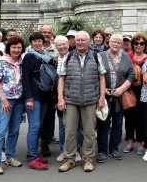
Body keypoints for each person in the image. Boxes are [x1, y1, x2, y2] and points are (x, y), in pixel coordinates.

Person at [57, 31, 107, 173]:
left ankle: (88, 159)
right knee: (70, 131)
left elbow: (101, 78)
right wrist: (60, 98)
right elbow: (61, 78)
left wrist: (102, 97)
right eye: (77, 40)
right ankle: (69, 159)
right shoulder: (68, 56)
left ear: (89, 41)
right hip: (71, 100)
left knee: (89, 132)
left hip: (91, 99)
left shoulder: (96, 57)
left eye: (82, 40)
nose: (79, 42)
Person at [0, 36, 26, 175]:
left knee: (14, 130)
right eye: (13, 47)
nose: (16, 50)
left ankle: (10, 157)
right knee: (1, 130)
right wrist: (3, 99)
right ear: (8, 48)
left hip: (19, 101)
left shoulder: (22, 62)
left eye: (18, 47)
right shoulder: (2, 62)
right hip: (5, 100)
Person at [97, 34, 135, 163]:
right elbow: (95, 74)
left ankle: (113, 149)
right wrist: (102, 90)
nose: (116, 44)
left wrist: (122, 88)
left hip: (120, 96)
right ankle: (102, 151)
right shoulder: (101, 56)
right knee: (103, 124)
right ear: (109, 42)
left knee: (118, 124)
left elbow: (132, 74)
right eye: (114, 41)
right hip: (105, 96)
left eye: (119, 42)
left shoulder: (126, 57)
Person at [21, 32, 56, 170]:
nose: (37, 43)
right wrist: (28, 98)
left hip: (45, 97)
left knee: (39, 126)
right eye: (34, 41)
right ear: (31, 43)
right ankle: (33, 158)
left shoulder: (45, 57)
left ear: (43, 42)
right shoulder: (29, 57)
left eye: (39, 41)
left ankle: (33, 152)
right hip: (34, 97)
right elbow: (26, 79)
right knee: (34, 127)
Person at [124, 32, 147, 155]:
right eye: (136, 43)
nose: (139, 45)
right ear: (132, 44)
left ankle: (140, 142)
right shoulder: (127, 57)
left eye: (141, 43)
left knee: (141, 118)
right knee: (129, 117)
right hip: (129, 90)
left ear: (145, 45)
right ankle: (129, 141)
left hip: (144, 92)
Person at [38, 25, 59, 158]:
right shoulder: (31, 49)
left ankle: (45, 142)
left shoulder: (56, 48)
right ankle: (36, 143)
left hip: (52, 88)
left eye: (48, 32)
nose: (46, 34)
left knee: (49, 117)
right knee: (37, 119)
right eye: (43, 32)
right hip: (37, 89)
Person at [54, 35, 69, 162]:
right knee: (62, 126)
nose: (62, 46)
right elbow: (52, 81)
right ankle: (63, 150)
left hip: (73, 96)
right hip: (59, 97)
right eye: (59, 45)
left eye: (64, 44)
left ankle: (76, 150)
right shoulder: (53, 61)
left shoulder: (74, 57)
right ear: (56, 47)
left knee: (77, 126)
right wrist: (57, 99)